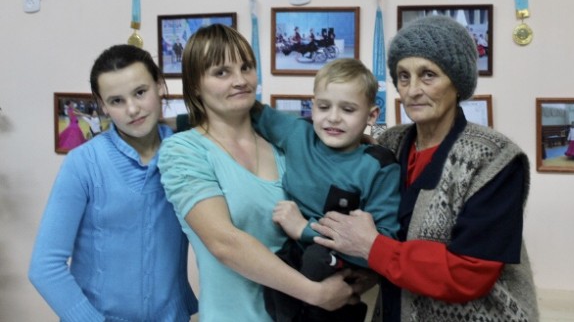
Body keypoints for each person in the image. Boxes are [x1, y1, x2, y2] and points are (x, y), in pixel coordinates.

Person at [311, 15, 539, 321]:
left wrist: (372, 247)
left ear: (457, 82)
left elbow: (469, 273)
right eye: (403, 76)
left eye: (428, 75)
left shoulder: (494, 158)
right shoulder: (389, 144)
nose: (413, 90)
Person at [157, 24, 357, 322]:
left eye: (246, 67)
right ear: (196, 85)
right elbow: (224, 243)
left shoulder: (284, 145)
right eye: (221, 72)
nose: (240, 80)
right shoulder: (183, 150)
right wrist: (315, 293)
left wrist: (353, 279)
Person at [28, 44, 198, 321]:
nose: (132, 109)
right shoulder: (82, 163)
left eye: (140, 92)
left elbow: (225, 118)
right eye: (117, 101)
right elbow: (45, 267)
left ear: (159, 85)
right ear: (103, 105)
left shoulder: (188, 154)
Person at [252, 58, 401, 321]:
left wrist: (304, 228)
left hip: (337, 266)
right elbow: (244, 109)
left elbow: (384, 245)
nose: (333, 117)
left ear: (371, 115)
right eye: (323, 107)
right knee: (273, 280)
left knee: (316, 261)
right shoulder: (298, 133)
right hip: (291, 258)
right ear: (312, 106)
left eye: (348, 109)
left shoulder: (380, 166)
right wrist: (180, 122)